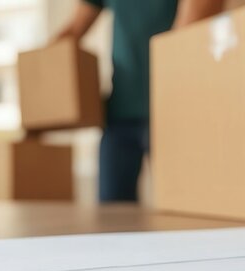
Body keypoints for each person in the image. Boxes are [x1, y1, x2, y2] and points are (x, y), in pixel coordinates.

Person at [56, 0, 224, 202]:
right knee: (112, 213)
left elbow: (195, 21)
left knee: (183, 205)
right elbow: (73, 30)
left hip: (175, 109)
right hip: (120, 113)